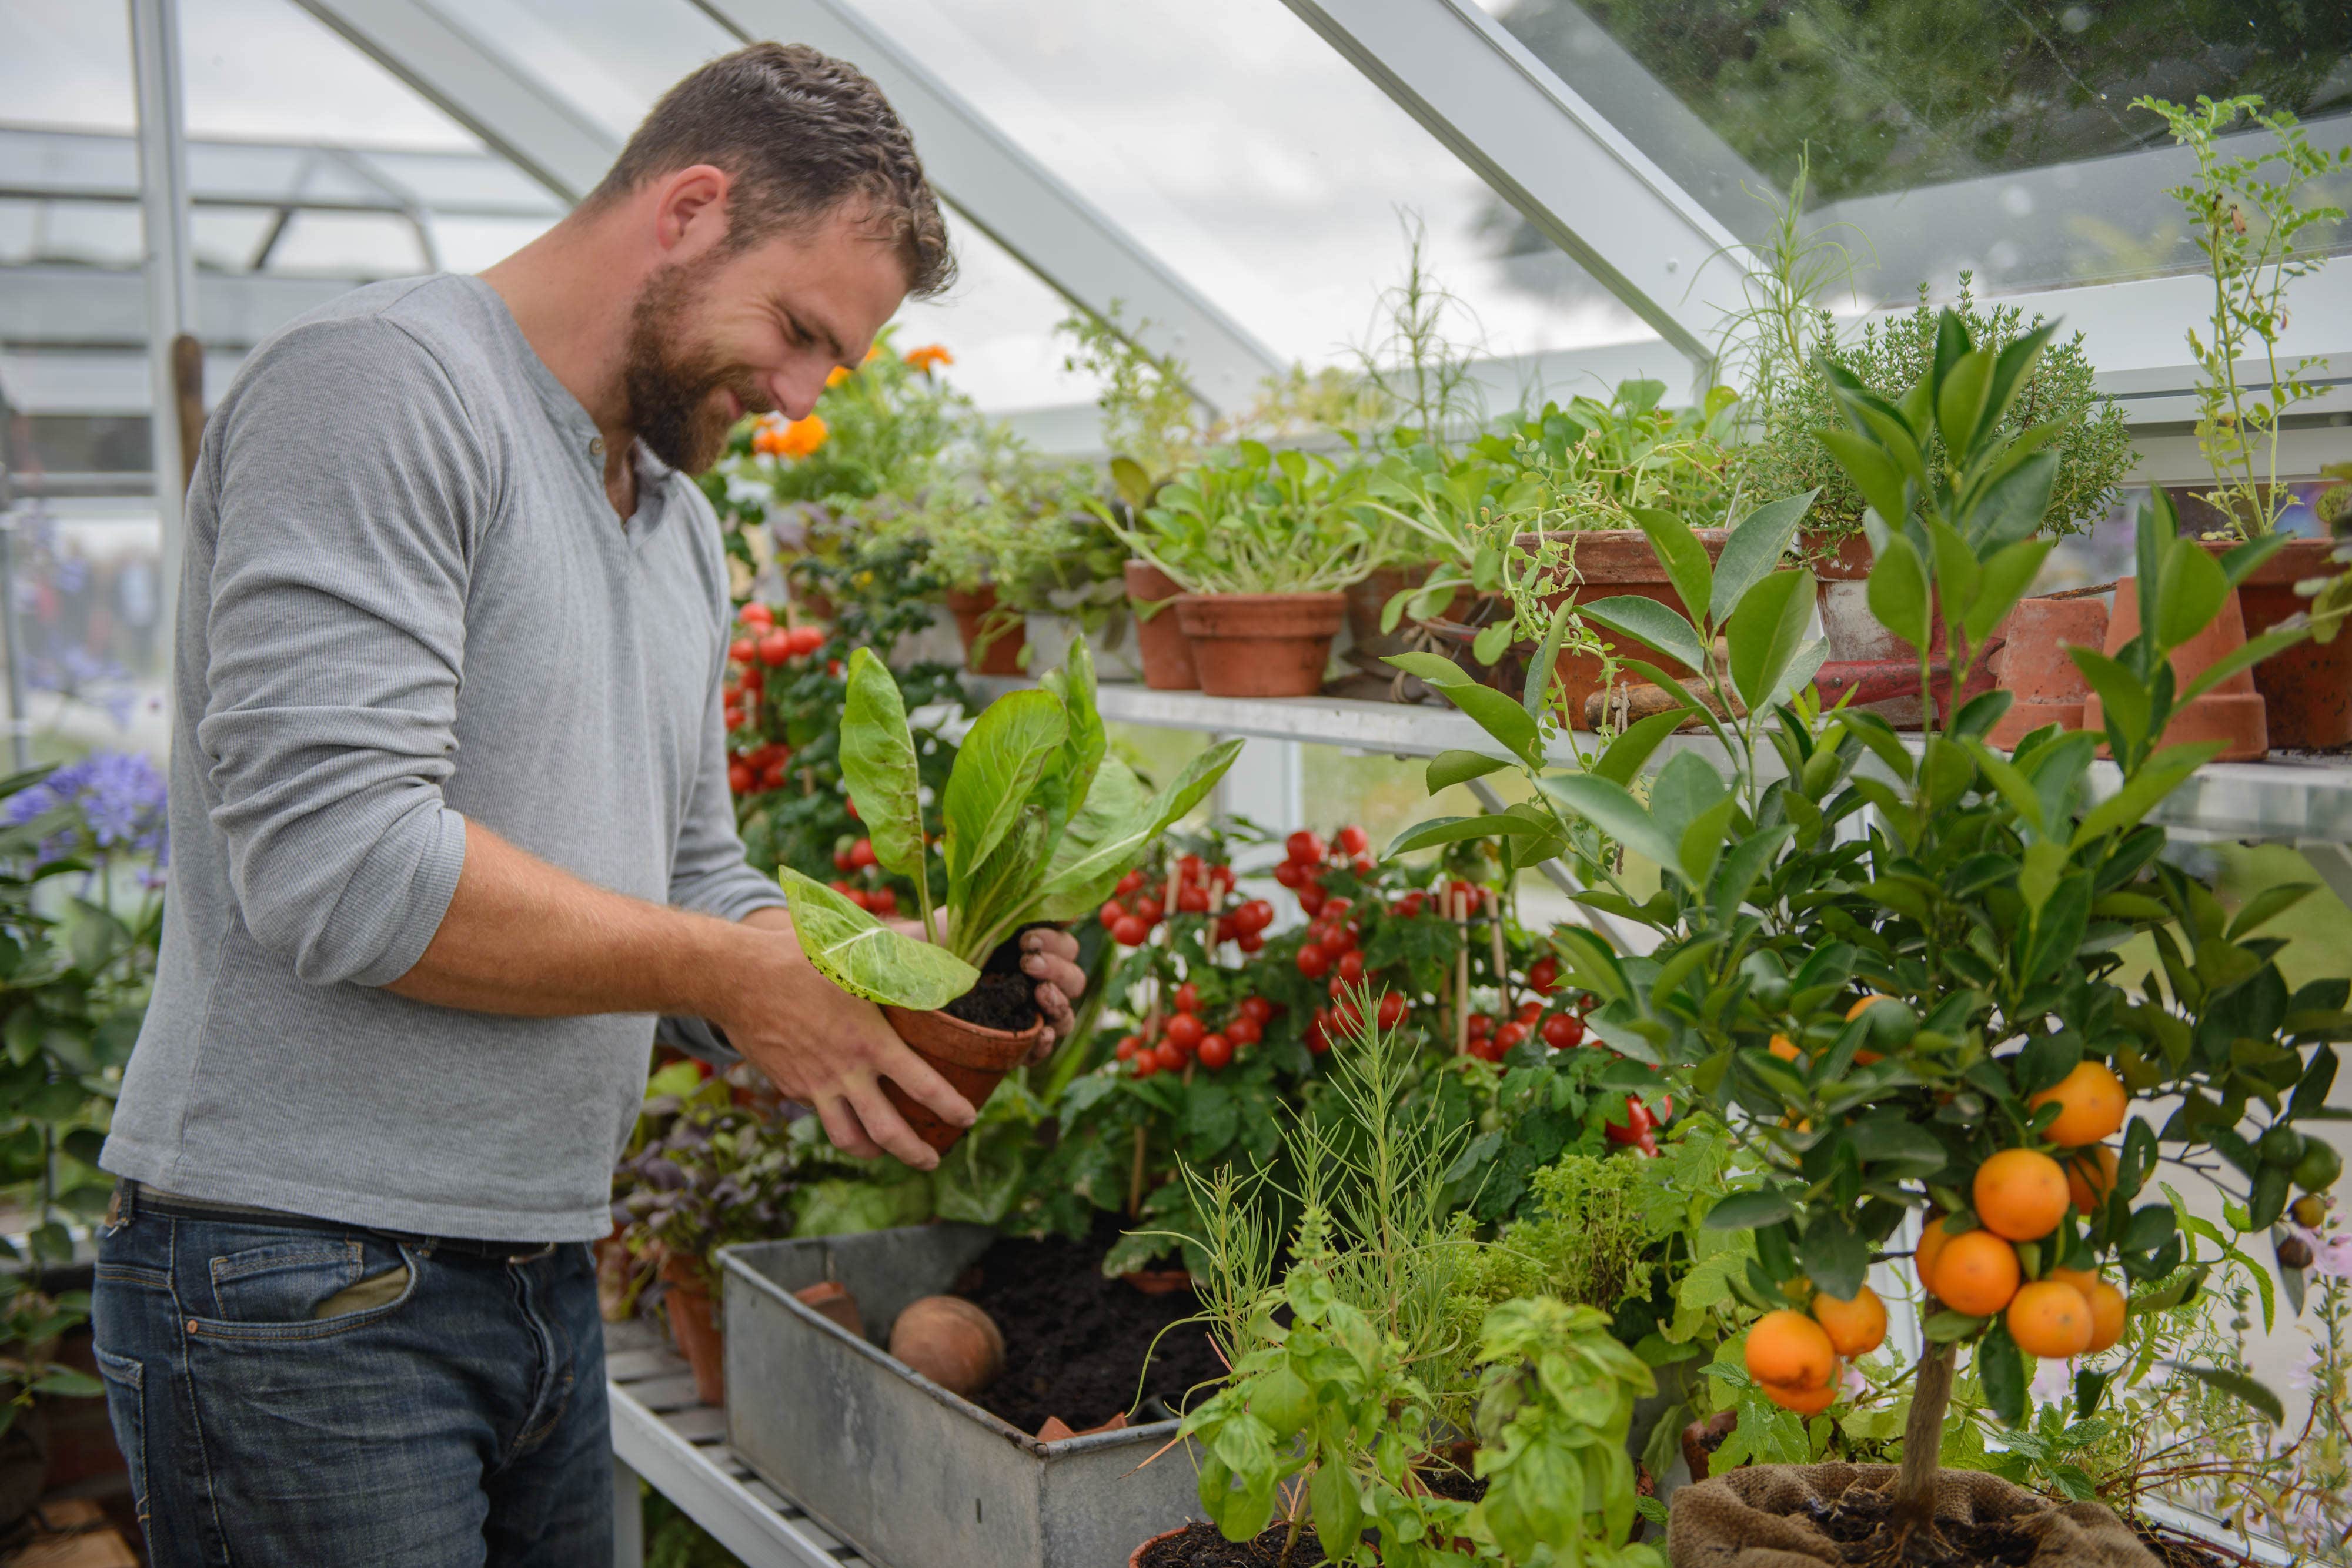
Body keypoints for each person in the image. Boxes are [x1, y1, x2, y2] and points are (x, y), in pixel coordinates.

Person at [89, 43, 1085, 1567]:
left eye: (842, 364)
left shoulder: (677, 527)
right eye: (802, 329)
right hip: (301, 1284)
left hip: (542, 1269)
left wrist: (902, 977)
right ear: (689, 209)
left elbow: (692, 875)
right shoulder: (385, 388)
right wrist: (733, 968)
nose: (803, 391)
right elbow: (343, 867)